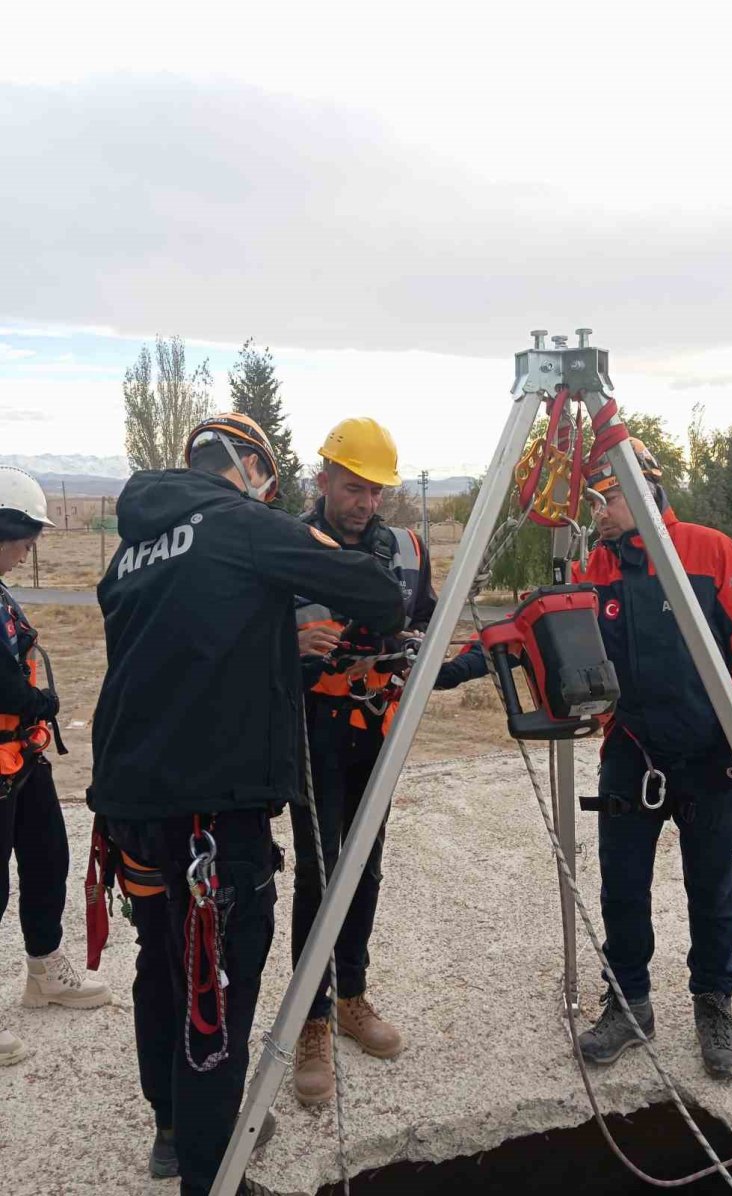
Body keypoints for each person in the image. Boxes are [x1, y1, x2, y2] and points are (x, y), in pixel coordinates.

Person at [87, 414, 404, 1196]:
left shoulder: (133, 551)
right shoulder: (239, 523)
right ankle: (211, 1170)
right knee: (215, 991)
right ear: (250, 465)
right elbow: (372, 591)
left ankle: (173, 1129)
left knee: (161, 967)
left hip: (133, 804)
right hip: (210, 807)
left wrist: (270, 639)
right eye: (268, 475)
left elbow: (187, 644)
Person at [571, 437, 732, 1081]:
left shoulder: (715, 554)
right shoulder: (596, 567)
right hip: (631, 751)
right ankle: (629, 1001)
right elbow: (563, 637)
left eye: (605, 499)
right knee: (621, 883)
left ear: (640, 491)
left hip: (711, 755)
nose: (597, 514)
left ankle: (713, 1001)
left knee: (711, 887)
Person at [290, 417, 437, 1105]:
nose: (365, 503)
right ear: (322, 480)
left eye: (376, 491)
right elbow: (241, 636)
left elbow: (426, 618)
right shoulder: (283, 545)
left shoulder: (407, 549)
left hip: (375, 726)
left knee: (367, 868)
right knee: (321, 874)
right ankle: (310, 1021)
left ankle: (352, 995)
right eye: (353, 488)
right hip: (313, 725)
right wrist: (287, 645)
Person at [1, 467, 111, 1068]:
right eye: (25, 539)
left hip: (24, 757)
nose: (29, 551)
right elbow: (7, 687)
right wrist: (42, 702)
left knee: (48, 858)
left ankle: (44, 970)